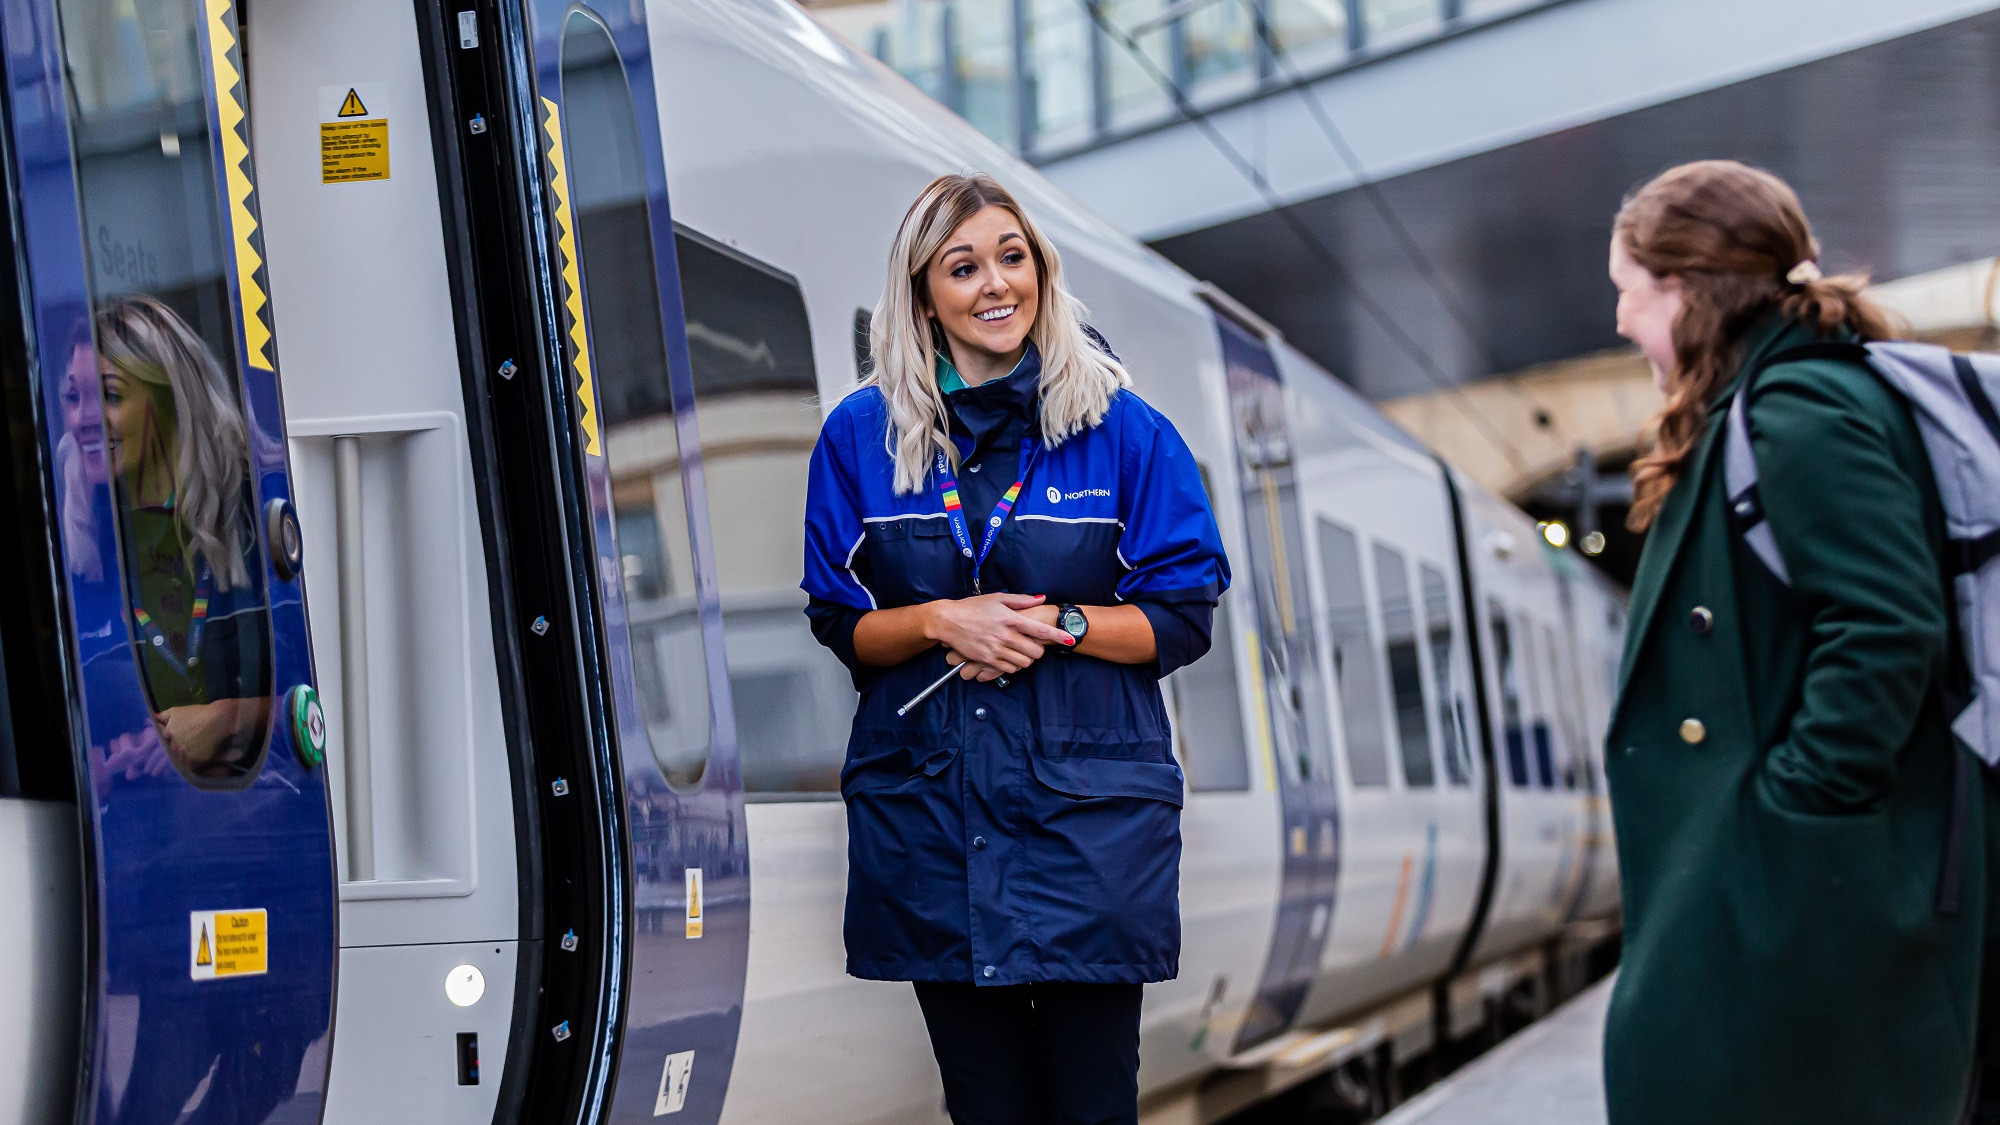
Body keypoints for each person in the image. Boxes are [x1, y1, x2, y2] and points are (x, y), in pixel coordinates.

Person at [801, 172, 1230, 1125]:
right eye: (963, 267)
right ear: (922, 296)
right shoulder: (859, 436)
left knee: (1090, 1110)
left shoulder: (1123, 427)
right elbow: (840, 620)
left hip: (1088, 831)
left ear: (1042, 270)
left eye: (1012, 257)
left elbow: (1185, 611)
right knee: (986, 1110)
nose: (996, 285)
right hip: (934, 820)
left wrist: (1059, 624)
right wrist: (942, 621)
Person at [1603, 159, 1995, 1125]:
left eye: (1627, 291)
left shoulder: (1798, 409)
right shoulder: (1772, 403)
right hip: (1801, 875)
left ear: (1684, 290)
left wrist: (1796, 807)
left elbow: (1886, 621)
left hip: (1817, 881)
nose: (1618, 321)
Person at [90, 295, 272, 782]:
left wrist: (226, 718)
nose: (86, 417)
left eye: (109, 395)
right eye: (73, 398)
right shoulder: (82, 542)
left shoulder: (252, 510)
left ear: (170, 396)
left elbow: (331, 690)